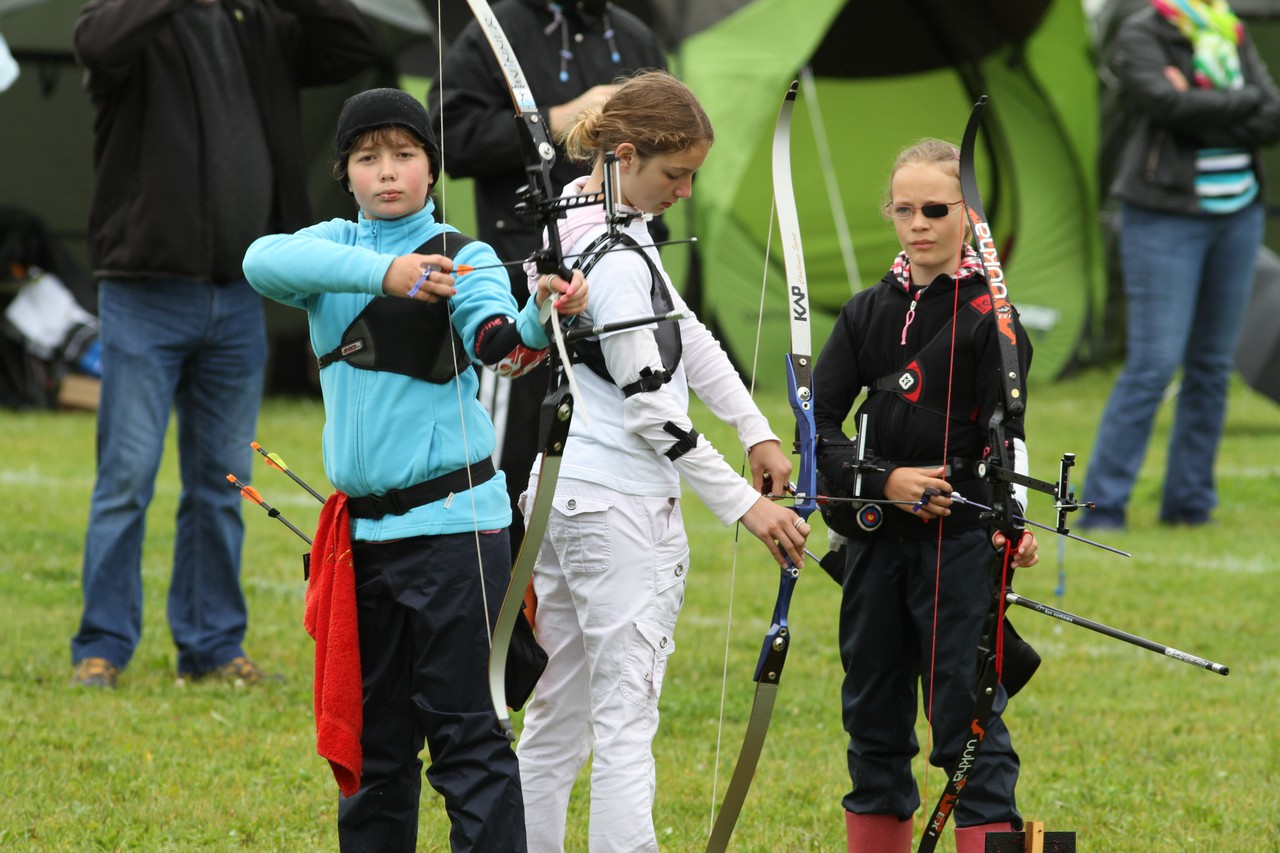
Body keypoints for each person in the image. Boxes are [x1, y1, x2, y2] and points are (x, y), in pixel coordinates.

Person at [243, 86, 587, 852]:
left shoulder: (465, 253)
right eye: (368, 158)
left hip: (454, 532)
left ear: (432, 167)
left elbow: (497, 337)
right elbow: (259, 260)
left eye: (404, 155)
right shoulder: (334, 251)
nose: (387, 172)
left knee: (468, 742)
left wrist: (539, 314)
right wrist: (386, 275)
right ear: (347, 172)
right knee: (376, 751)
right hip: (363, 540)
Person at [511, 70, 810, 851]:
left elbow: (685, 330)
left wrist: (755, 430)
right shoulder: (609, 254)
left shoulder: (591, 211)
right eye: (674, 174)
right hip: (614, 507)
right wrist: (746, 504)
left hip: (564, 496)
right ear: (629, 152)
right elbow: (650, 405)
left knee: (558, 714)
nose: (683, 191)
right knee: (622, 721)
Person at [69, 0, 379, 689]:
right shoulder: (138, 20)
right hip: (143, 289)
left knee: (222, 482)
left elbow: (354, 41)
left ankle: (211, 645)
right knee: (127, 478)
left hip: (238, 296)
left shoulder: (260, 20)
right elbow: (94, 41)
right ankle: (102, 644)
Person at [811, 139, 1039, 853]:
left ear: (967, 216)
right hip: (876, 542)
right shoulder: (866, 311)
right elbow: (814, 421)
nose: (918, 224)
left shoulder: (993, 318)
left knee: (965, 720)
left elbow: (1010, 435)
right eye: (904, 209)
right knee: (872, 716)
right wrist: (883, 481)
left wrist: (1015, 517)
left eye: (936, 209)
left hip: (958, 546)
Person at [427, 0, 668, 559]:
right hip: (525, 284)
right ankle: (499, 591)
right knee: (509, 455)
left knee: (611, 441)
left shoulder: (633, 36)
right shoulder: (499, 27)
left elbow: (670, 151)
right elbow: (449, 135)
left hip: (618, 280)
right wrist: (558, 118)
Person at [1082, 0, 1280, 530]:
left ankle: (1190, 505)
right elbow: (1167, 106)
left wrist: (1203, 100)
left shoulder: (1228, 28)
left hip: (1239, 215)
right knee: (1153, 365)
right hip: (1164, 218)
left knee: (1213, 367)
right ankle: (1103, 507)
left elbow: (1272, 111)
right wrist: (1236, 103)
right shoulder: (1141, 32)